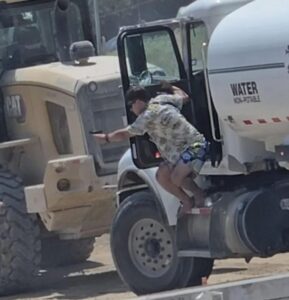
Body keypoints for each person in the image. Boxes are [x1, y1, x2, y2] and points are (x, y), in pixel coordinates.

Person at [94, 82, 207, 215]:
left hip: (195, 147)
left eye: (131, 105)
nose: (131, 109)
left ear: (138, 102)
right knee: (162, 175)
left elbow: (124, 134)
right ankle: (187, 201)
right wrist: (170, 86)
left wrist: (106, 138)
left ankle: (199, 195)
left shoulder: (146, 117)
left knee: (176, 178)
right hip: (180, 154)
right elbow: (184, 96)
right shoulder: (161, 100)